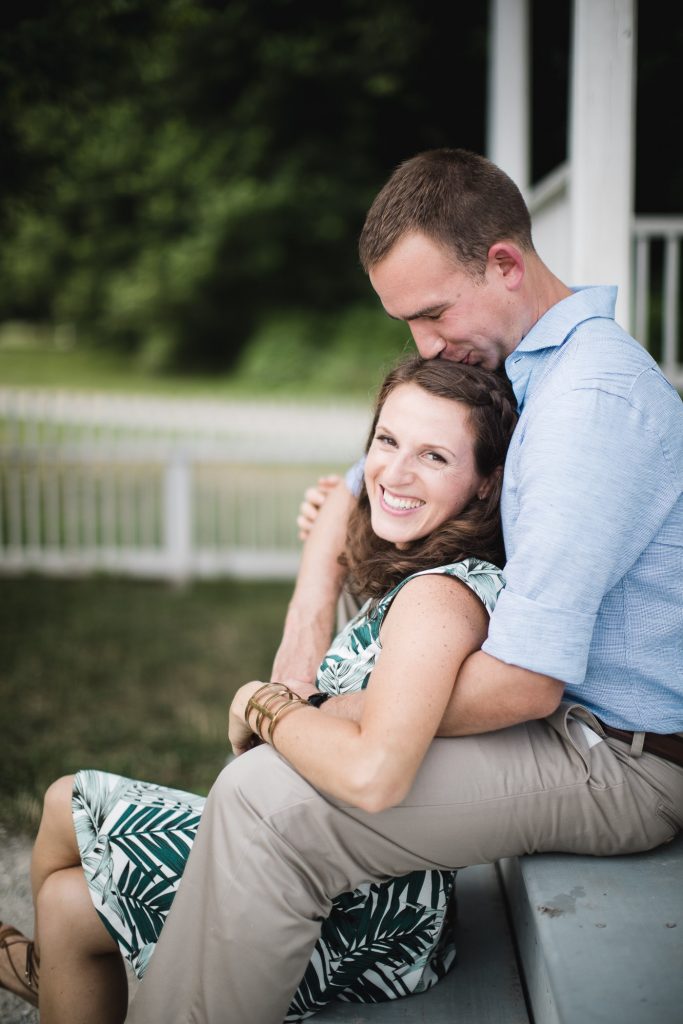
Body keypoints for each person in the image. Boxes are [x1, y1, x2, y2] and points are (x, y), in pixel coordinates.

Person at [117, 148, 683, 1024]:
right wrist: (309, 616)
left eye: (431, 314)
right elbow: (369, 470)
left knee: (272, 806)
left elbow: (527, 680)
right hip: (569, 727)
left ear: (502, 263)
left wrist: (301, 709)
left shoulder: (588, 405)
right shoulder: (519, 363)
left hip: (620, 756)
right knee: (264, 790)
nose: (424, 344)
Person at [0, 356, 517, 1024]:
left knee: (67, 801)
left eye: (435, 456)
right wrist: (341, 515)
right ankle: (57, 977)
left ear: (483, 485)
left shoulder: (441, 598)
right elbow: (356, 501)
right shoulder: (417, 567)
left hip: (364, 912)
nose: (393, 472)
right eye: (386, 442)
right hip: (329, 859)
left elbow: (373, 773)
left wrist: (258, 700)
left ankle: (51, 979)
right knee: (71, 907)